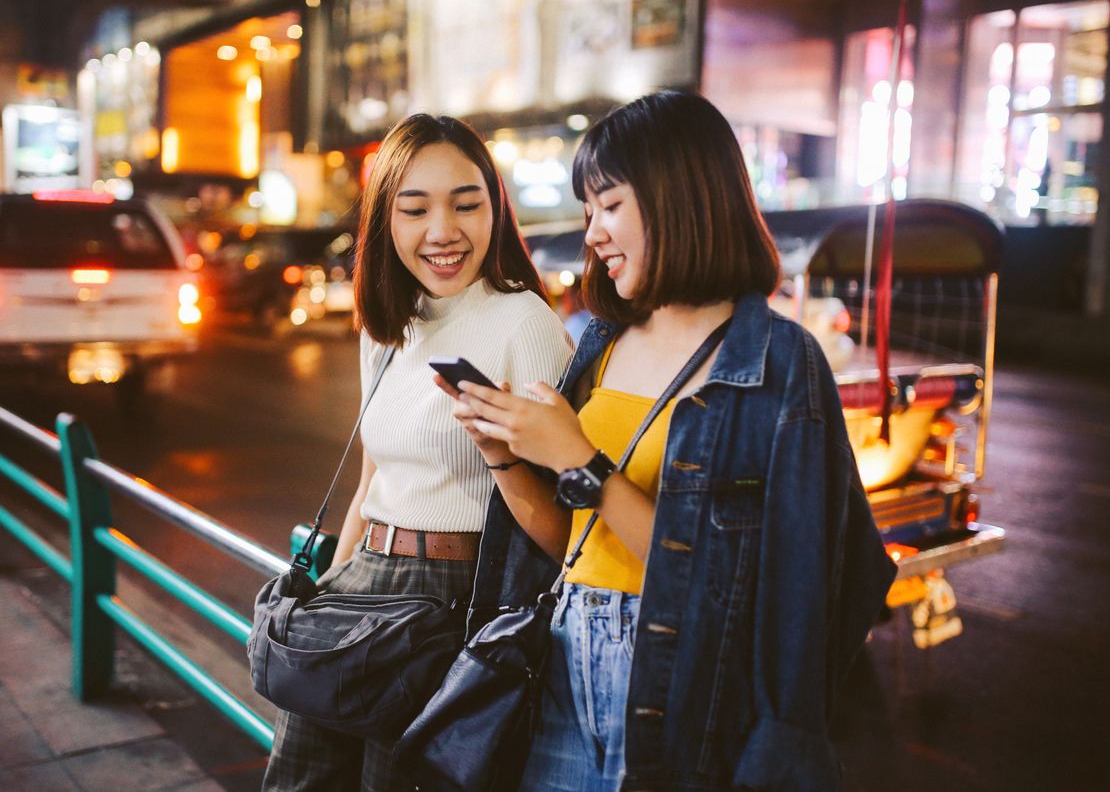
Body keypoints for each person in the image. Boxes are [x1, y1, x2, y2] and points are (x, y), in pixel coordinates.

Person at [445, 91, 897, 791]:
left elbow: (744, 588)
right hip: (561, 658)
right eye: (588, 210)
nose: (592, 232)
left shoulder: (777, 362)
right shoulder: (601, 339)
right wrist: (502, 449)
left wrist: (579, 459)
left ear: (680, 195)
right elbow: (568, 543)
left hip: (678, 681)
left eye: (610, 205)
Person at [262, 113, 573, 792]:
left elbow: (565, 531)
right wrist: (328, 595)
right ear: (387, 219)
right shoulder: (389, 325)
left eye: (467, 204)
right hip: (360, 583)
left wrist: (503, 456)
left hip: (450, 604)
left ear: (495, 209)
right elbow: (372, 478)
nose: (443, 231)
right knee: (298, 780)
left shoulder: (524, 322)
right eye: (415, 209)